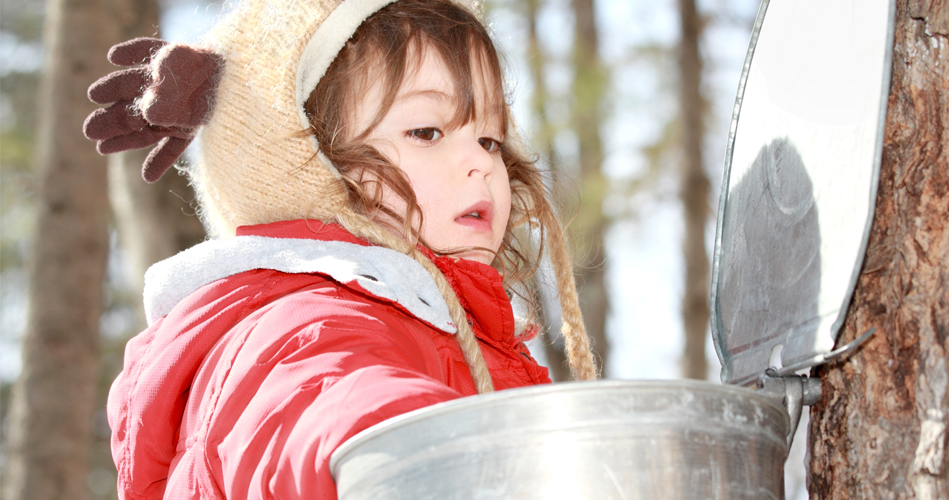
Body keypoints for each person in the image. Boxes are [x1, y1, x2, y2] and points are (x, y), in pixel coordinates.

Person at [84, 0, 596, 498]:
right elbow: (323, 403)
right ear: (310, 163)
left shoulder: (457, 333)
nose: (481, 163)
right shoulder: (300, 322)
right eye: (427, 131)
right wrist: (413, 449)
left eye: (490, 139)